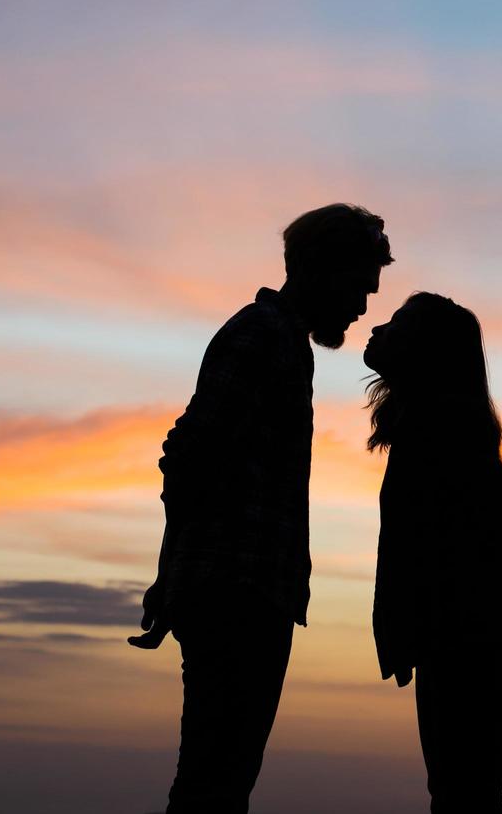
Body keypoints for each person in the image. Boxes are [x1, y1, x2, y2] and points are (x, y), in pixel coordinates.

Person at [129, 203, 393, 814]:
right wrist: (179, 574)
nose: (361, 305)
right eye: (358, 286)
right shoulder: (261, 335)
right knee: (214, 782)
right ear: (322, 269)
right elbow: (188, 453)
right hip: (235, 589)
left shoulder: (282, 342)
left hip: (247, 588)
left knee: (221, 778)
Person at [364, 292, 502, 814]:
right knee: (462, 793)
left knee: (462, 796)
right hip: (458, 642)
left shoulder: (443, 428)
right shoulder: (435, 425)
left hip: (467, 644)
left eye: (398, 324)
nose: (377, 329)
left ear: (426, 350)